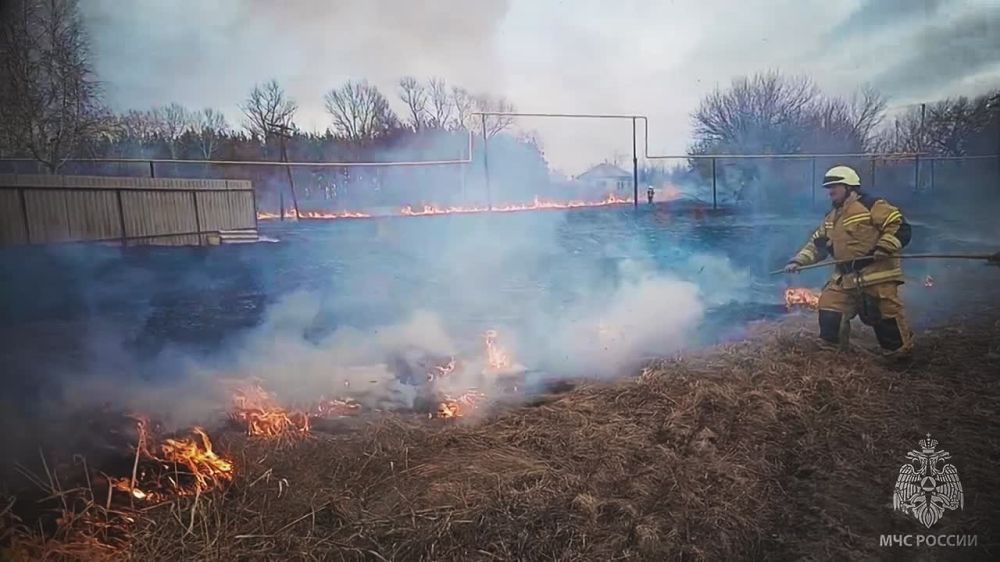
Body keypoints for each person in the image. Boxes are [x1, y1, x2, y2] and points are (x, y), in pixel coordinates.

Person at [784, 165, 914, 357]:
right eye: (828, 188)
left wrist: (884, 247)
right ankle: (831, 348)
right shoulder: (831, 217)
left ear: (849, 187)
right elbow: (817, 244)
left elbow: (899, 226)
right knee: (830, 306)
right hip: (845, 277)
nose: (830, 192)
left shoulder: (872, 205)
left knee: (886, 316)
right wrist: (798, 261)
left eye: (834, 186)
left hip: (876, 274)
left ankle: (898, 353)